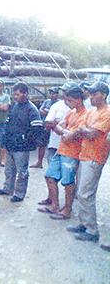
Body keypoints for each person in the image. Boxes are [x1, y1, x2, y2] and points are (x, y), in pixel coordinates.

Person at [67, 81, 110, 242]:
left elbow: (91, 133)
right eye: (90, 94)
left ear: (104, 95)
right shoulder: (92, 112)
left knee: (86, 194)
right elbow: (83, 130)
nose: (91, 97)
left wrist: (82, 130)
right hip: (85, 154)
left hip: (95, 157)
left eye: (94, 94)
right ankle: (83, 223)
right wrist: (83, 130)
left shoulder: (107, 113)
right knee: (81, 193)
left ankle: (92, 230)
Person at [38, 85, 87, 220]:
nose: (67, 103)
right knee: (49, 176)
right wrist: (66, 132)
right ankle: (55, 205)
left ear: (78, 100)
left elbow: (74, 134)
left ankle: (67, 209)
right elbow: (58, 127)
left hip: (72, 153)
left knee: (68, 182)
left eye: (69, 100)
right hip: (62, 149)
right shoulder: (72, 113)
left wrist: (63, 130)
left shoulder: (85, 115)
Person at [0, 82, 43, 202]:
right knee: (9, 170)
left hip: (21, 148)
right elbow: (8, 124)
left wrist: (26, 142)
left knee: (22, 172)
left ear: (25, 93)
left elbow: (37, 128)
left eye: (17, 94)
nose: (15, 97)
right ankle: (7, 189)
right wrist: (5, 141)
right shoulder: (15, 107)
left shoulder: (32, 109)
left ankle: (19, 194)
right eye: (14, 95)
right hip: (11, 145)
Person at [37, 85, 72, 206]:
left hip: (72, 148)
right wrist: (63, 127)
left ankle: (67, 207)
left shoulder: (78, 108)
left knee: (69, 179)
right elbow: (47, 124)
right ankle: (52, 200)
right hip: (55, 144)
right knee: (51, 175)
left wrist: (57, 124)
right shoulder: (56, 106)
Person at [30, 87, 60, 168]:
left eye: (54, 93)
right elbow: (40, 111)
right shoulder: (46, 102)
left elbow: (57, 116)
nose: (52, 95)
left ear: (57, 94)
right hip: (45, 126)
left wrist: (48, 112)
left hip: (55, 127)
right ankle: (39, 162)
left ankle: (54, 164)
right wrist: (49, 113)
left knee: (54, 146)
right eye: (51, 93)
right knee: (42, 144)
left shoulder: (59, 104)